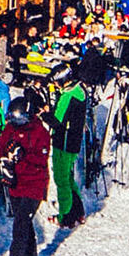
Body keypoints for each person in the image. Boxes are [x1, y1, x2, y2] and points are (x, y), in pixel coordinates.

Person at [0, 94, 53, 256]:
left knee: (20, 223)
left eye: (19, 118)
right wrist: (5, 159)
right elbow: (1, 148)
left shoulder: (40, 132)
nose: (16, 122)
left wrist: (24, 155)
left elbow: (41, 158)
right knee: (24, 222)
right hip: (15, 182)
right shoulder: (10, 129)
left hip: (35, 183)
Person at [47, 68, 89, 228]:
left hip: (63, 142)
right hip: (74, 141)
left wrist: (43, 114)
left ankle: (65, 217)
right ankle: (78, 212)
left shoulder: (67, 96)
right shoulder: (81, 90)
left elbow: (57, 121)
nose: (56, 86)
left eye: (57, 83)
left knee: (61, 179)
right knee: (69, 177)